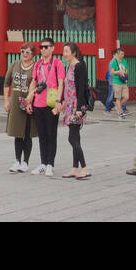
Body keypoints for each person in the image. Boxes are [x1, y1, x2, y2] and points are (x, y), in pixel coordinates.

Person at [24, 39, 65, 176]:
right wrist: (29, 100)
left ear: (53, 48)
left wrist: (59, 100)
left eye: (46, 47)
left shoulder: (57, 64)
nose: (43, 49)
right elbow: (33, 82)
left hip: (51, 103)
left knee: (51, 134)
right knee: (41, 134)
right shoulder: (38, 64)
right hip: (38, 103)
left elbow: (61, 84)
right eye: (41, 47)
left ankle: (50, 164)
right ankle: (43, 162)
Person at [59, 43, 90, 179]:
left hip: (76, 107)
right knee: (75, 137)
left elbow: (81, 88)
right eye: (63, 51)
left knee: (72, 138)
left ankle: (84, 168)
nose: (64, 54)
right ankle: (74, 169)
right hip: (70, 106)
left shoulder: (79, 66)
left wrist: (79, 109)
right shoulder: (70, 66)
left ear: (74, 52)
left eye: (67, 51)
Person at [3, 45, 37, 172]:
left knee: (27, 133)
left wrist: (30, 100)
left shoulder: (35, 67)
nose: (24, 54)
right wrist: (6, 100)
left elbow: (36, 84)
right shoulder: (14, 64)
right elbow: (7, 83)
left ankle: (25, 162)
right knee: (17, 133)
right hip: (16, 103)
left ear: (33, 54)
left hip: (28, 103)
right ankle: (17, 160)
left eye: (28, 52)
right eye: (23, 51)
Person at [108, 47, 130, 119]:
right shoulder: (114, 61)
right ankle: (120, 113)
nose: (122, 55)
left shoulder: (124, 61)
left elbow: (127, 70)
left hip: (124, 81)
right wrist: (119, 72)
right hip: (116, 81)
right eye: (121, 54)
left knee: (126, 97)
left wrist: (125, 72)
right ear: (117, 54)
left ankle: (118, 106)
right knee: (118, 98)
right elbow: (112, 72)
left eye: (123, 54)